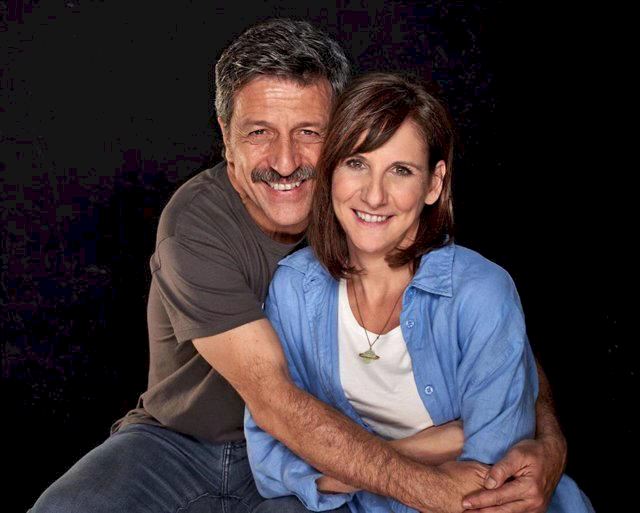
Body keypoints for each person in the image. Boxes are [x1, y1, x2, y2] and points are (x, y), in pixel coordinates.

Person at [30, 19, 567, 513]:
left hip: (326, 450)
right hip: (190, 441)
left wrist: (548, 442)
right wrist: (430, 487)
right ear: (226, 137)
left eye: (309, 132)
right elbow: (277, 404)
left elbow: (494, 334)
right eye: (259, 132)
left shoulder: (366, 210)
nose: (285, 163)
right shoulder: (196, 225)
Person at [245, 73, 594, 513]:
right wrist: (430, 447)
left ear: (434, 183)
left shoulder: (482, 293)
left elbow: (489, 482)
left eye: (401, 171)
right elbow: (269, 459)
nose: (374, 195)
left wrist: (342, 457)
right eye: (356, 163)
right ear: (331, 170)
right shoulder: (295, 289)